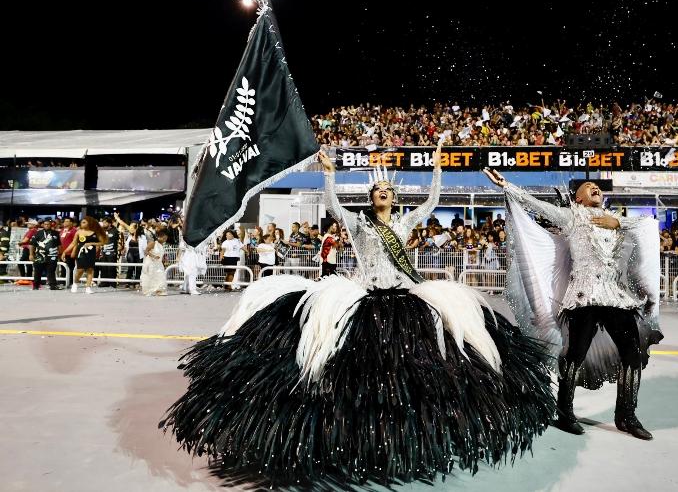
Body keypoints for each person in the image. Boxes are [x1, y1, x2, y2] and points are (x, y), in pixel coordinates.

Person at [161, 144, 554, 485]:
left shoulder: (405, 222)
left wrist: (436, 167)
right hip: (362, 295)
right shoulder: (360, 222)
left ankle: (409, 434)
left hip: (404, 296)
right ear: (371, 197)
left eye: (387, 189)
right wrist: (330, 177)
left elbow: (432, 202)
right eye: (377, 189)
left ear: (394, 199)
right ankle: (348, 436)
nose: (382, 191)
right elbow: (333, 205)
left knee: (415, 366)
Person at [485, 168, 662, 440]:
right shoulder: (570, 216)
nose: (596, 188)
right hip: (584, 295)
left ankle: (626, 415)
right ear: (578, 198)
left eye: (598, 187)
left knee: (632, 352)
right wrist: (506, 185)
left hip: (615, 296)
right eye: (588, 186)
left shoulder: (615, 218)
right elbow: (534, 204)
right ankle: (564, 412)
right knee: (575, 354)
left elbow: (648, 224)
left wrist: (619, 224)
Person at [64, 217, 107, 294]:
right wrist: (65, 251)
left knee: (90, 270)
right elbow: (73, 243)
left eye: (84, 222)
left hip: (91, 252)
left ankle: (88, 287)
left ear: (89, 223)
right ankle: (75, 283)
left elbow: (102, 242)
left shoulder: (95, 232)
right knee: (80, 270)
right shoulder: (78, 232)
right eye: (81, 222)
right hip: (81, 252)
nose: (82, 224)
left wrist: (92, 243)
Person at [29, 219, 61, 290]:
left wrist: (60, 253)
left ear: (51, 225)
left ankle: (53, 285)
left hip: (52, 256)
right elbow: (32, 244)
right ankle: (36, 286)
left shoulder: (56, 233)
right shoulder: (38, 233)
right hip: (40, 256)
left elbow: (59, 244)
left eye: (48, 224)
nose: (47, 225)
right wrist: (31, 254)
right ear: (42, 225)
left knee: (51, 271)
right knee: (37, 271)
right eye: (45, 224)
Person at [140, 229, 168, 296]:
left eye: (166, 239)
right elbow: (146, 251)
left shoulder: (161, 245)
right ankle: (149, 290)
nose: (165, 240)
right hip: (151, 263)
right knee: (151, 276)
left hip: (159, 264)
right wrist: (153, 256)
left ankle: (159, 290)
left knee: (160, 276)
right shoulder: (153, 243)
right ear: (159, 237)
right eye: (164, 238)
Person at [97, 216, 120, 287]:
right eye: (103, 222)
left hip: (112, 252)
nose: (103, 224)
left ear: (109, 223)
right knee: (103, 267)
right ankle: (104, 282)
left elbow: (120, 241)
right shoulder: (102, 231)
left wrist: (120, 249)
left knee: (111, 268)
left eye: (105, 222)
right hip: (103, 252)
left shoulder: (115, 231)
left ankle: (113, 283)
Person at [58, 218, 77, 287]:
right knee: (63, 267)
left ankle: (71, 282)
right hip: (62, 252)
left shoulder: (74, 231)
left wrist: (74, 251)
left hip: (70, 252)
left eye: (67, 221)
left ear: (71, 223)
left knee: (70, 267)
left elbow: (76, 243)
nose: (65, 222)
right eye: (64, 221)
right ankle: (63, 281)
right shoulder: (62, 230)